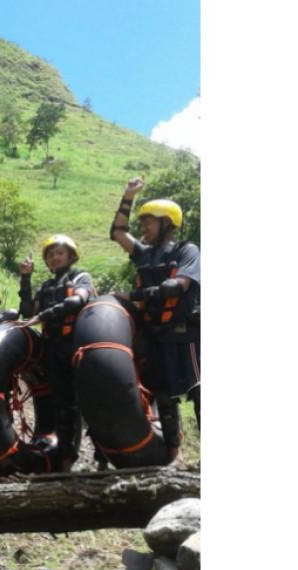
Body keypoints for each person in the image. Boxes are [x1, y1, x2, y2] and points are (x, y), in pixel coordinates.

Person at [109, 177, 201, 460]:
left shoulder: (187, 250)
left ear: (166, 223)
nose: (143, 227)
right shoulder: (143, 254)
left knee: (202, 394)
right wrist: (128, 196)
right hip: (156, 336)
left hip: (185, 335)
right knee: (163, 396)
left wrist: (132, 296)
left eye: (149, 221)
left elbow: (175, 287)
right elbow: (117, 233)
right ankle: (172, 456)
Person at [19, 234, 96, 472]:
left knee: (89, 401)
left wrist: (43, 316)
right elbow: (26, 311)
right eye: (50, 254)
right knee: (62, 404)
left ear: (71, 256)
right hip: (54, 349)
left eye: (59, 253)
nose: (54, 257)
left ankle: (102, 456)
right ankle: (65, 457)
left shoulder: (81, 277)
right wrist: (25, 278)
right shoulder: (46, 287)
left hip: (78, 346)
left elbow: (77, 301)